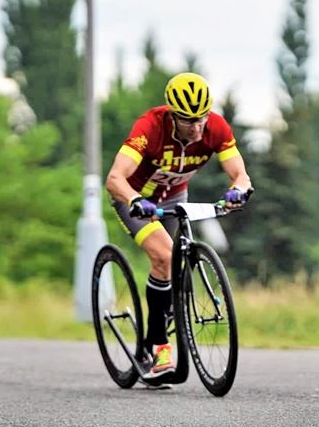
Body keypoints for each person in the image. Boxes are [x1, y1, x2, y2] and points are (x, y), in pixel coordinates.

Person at [105, 72, 253, 379]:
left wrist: (238, 190)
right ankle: (160, 348)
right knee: (163, 256)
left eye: (201, 118)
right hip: (136, 199)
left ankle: (153, 330)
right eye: (188, 120)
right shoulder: (150, 127)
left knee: (171, 264)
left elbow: (240, 174)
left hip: (175, 197)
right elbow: (114, 179)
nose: (197, 127)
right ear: (172, 115)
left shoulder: (216, 128)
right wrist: (134, 199)